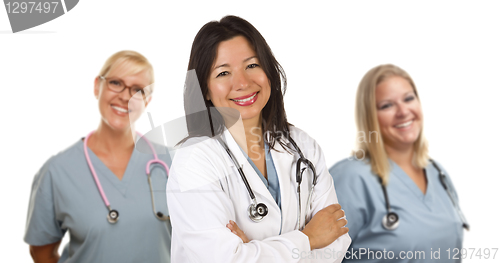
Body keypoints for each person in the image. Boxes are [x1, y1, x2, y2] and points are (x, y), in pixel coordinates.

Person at [166, 15, 351, 263]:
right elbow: (223, 260)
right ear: (205, 90)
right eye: (223, 73)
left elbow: (336, 243)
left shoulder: (303, 147)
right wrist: (309, 239)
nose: (242, 82)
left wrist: (254, 250)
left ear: (269, 71)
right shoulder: (194, 160)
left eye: (252, 65)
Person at [24, 51, 173, 263]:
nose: (124, 96)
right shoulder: (56, 172)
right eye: (115, 83)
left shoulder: (172, 163)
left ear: (147, 101)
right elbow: (42, 253)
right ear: (97, 86)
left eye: (137, 90)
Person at [329, 64, 467, 262]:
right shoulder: (350, 179)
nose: (403, 111)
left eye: (409, 99)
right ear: (370, 117)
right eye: (387, 105)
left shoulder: (438, 174)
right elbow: (317, 255)